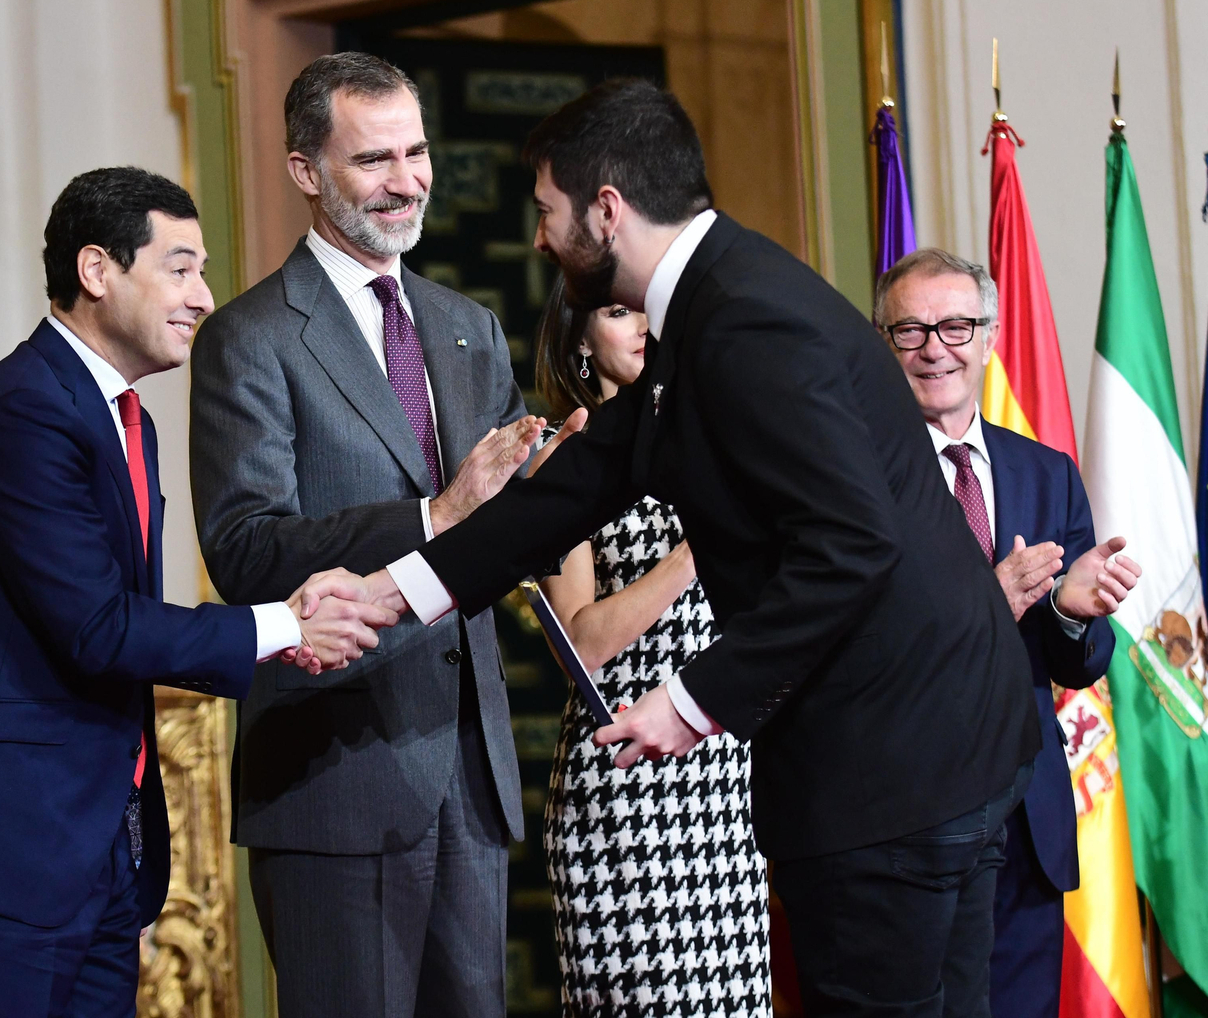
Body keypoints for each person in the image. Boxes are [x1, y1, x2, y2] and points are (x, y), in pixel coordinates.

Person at [302, 78, 1043, 1017]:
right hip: (941, 751)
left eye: (548, 211)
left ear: (606, 211)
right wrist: (389, 593)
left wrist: (691, 703)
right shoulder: (715, 298)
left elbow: (853, 548)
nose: (540, 239)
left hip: (893, 772)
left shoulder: (745, 321)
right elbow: (577, 486)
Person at [0, 167, 394, 1017]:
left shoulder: (121, 418)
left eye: (203, 271)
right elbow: (100, 628)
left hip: (96, 848)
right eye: (179, 269)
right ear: (96, 270)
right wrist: (283, 625)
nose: (203, 297)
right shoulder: (23, 412)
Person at [188, 53, 541, 1018]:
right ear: (306, 170)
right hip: (334, 775)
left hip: (467, 774)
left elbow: (504, 520)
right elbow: (247, 550)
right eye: (374, 159)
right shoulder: (250, 338)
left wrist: (562, 486)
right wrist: (433, 518)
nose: (407, 181)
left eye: (416, 153)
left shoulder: (468, 326)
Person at [875, 248, 1141, 1018]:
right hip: (908, 822)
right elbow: (856, 643)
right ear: (883, 344)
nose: (936, 348)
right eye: (911, 330)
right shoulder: (858, 478)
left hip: (1027, 822)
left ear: (989, 337)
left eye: (957, 327)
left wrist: (1071, 612)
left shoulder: (1046, 471)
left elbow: (1081, 664)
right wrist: (986, 601)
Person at [533, 279, 770, 1017]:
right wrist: (691, 555)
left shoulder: (722, 443)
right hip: (623, 785)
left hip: (724, 778)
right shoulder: (564, 457)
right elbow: (578, 642)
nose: (641, 325)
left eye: (648, 309)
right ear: (579, 339)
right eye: (616, 312)